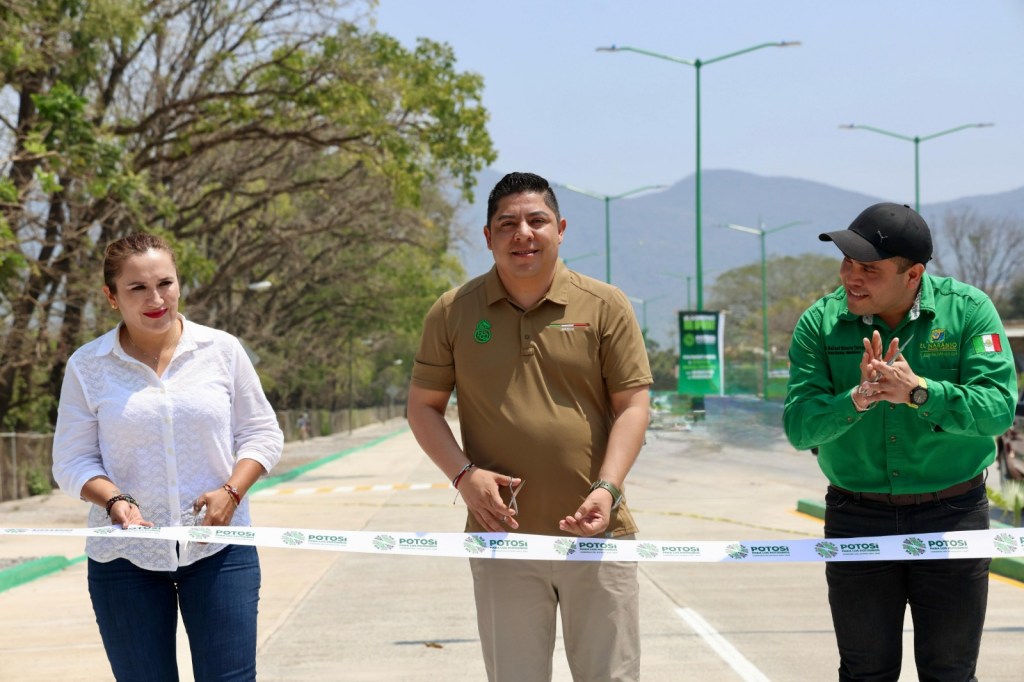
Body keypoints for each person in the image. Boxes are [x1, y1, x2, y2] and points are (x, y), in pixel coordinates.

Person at [407, 171, 652, 682]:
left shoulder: (605, 305)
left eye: (537, 220)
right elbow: (423, 408)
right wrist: (463, 477)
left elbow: (632, 405)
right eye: (508, 223)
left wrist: (607, 489)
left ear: (560, 229)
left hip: (598, 536)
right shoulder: (453, 312)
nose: (524, 233)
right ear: (488, 236)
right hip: (502, 539)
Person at [783, 203, 1018, 681]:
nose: (852, 276)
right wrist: (856, 400)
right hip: (857, 517)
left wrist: (920, 392)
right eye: (847, 262)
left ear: (913, 275)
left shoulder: (969, 311)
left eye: (869, 268)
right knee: (865, 672)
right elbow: (800, 427)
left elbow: (997, 409)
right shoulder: (819, 324)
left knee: (949, 672)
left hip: (952, 515)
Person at [51, 232, 284, 681]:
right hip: (123, 559)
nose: (156, 298)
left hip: (220, 550)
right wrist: (116, 501)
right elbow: (71, 460)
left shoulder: (221, 350)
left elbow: (262, 433)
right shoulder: (88, 365)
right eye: (137, 288)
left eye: (166, 283)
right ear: (112, 296)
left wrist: (232, 492)